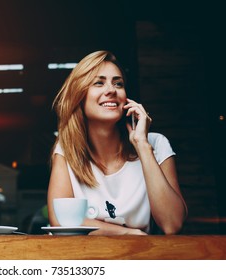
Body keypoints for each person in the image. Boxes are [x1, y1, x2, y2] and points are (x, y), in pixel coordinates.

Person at [47, 50, 187, 235]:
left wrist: (142, 146)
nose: (111, 90)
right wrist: (128, 234)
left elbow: (172, 224)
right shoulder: (67, 149)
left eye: (118, 83)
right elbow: (60, 220)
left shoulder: (156, 144)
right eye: (99, 82)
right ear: (79, 96)